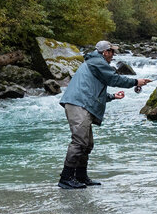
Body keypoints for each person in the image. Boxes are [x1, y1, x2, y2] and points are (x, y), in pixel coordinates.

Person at [57, 40, 150, 189]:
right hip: (78, 104)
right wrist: (136, 82)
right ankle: (65, 178)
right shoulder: (98, 62)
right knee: (80, 142)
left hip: (81, 102)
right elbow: (114, 79)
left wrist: (113, 97)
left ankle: (81, 176)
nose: (113, 55)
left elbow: (93, 91)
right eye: (112, 52)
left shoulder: (94, 63)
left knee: (87, 144)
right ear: (105, 52)